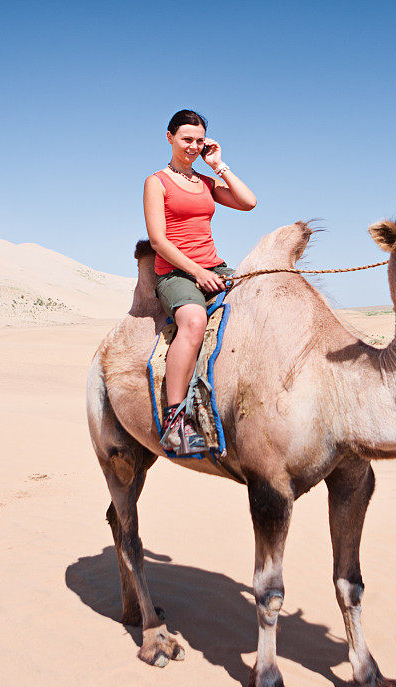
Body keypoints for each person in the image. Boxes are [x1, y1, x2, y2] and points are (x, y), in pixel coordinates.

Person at [143, 109, 257, 454]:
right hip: (176, 271)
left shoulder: (206, 183)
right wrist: (197, 272)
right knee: (192, 321)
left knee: (262, 297)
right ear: (170, 138)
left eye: (199, 141)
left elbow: (249, 202)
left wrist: (217, 164)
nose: (192, 146)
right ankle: (176, 419)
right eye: (186, 139)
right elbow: (158, 241)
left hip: (214, 265)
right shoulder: (156, 182)